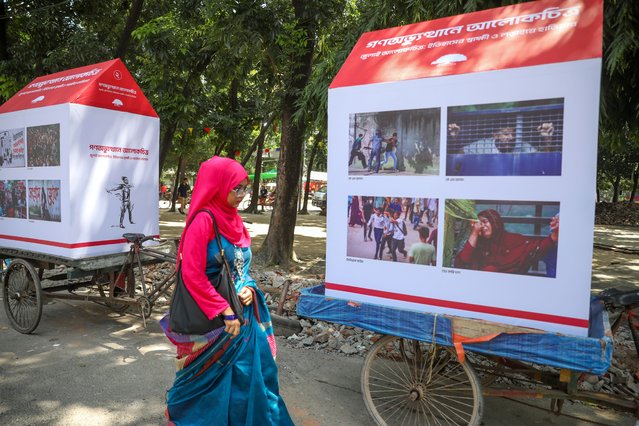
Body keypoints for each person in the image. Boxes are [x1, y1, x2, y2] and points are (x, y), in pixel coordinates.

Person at [161, 156, 293, 425]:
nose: (243, 195)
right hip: (216, 323)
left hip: (242, 319)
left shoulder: (236, 222)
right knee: (211, 391)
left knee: (258, 378)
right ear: (217, 186)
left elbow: (242, 269)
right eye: (237, 189)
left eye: (245, 188)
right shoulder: (203, 221)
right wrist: (224, 310)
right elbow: (192, 275)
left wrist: (249, 288)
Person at [455, 209, 559, 275]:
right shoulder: (477, 243)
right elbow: (462, 262)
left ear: (495, 223)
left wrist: (554, 236)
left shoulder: (512, 240)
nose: (482, 226)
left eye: (485, 222)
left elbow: (536, 247)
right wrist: (474, 233)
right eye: (480, 223)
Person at [460, 126, 536, 154]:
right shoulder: (484, 145)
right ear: (495, 136)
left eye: (514, 134)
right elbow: (461, 152)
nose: (511, 137)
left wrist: (547, 138)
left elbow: (541, 156)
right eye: (506, 134)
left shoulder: (523, 146)